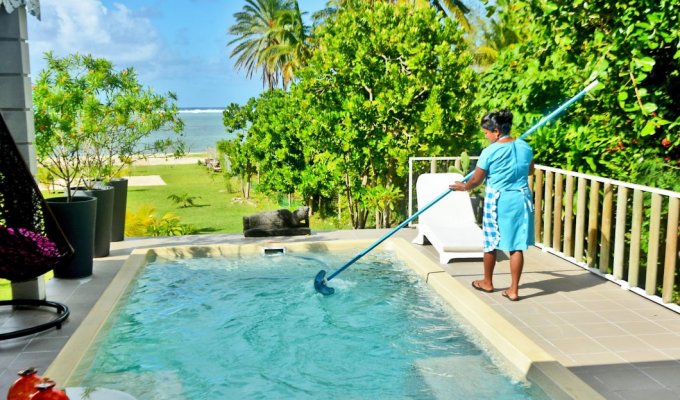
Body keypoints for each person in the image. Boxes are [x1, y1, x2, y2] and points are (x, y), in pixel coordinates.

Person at [450, 110, 534, 301]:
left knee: (490, 242)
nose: (485, 137)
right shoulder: (525, 147)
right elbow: (529, 171)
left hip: (499, 200)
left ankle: (487, 282)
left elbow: (476, 181)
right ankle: (513, 290)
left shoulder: (490, 151)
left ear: (496, 132)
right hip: (521, 199)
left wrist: (464, 187)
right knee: (516, 246)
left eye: (486, 133)